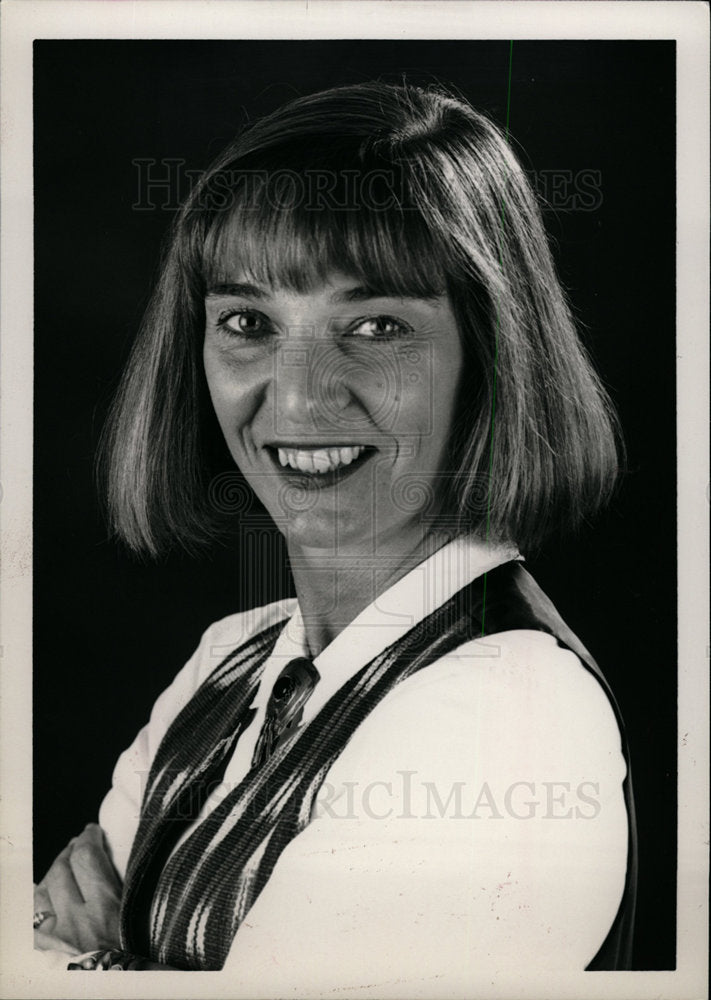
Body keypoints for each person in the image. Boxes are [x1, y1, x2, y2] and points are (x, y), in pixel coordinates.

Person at [33, 81, 636, 988]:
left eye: (377, 326)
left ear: (490, 357)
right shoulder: (232, 660)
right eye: (247, 323)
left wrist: (88, 958)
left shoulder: (505, 714)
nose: (302, 396)